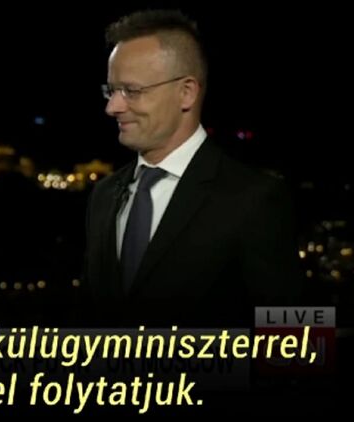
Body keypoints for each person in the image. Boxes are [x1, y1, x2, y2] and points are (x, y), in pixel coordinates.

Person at [83, 10, 302, 327]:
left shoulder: (254, 199)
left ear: (186, 92)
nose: (112, 107)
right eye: (111, 90)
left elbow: (296, 338)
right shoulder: (104, 196)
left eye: (132, 91)